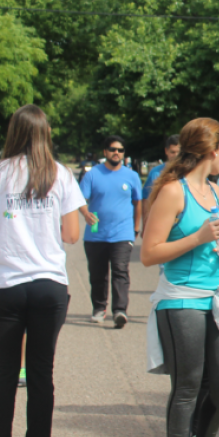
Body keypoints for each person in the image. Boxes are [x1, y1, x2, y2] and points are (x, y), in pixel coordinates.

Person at [141, 118, 219, 437]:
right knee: (187, 386)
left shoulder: (214, 191)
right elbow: (150, 254)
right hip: (182, 298)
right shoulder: (172, 192)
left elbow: (211, 242)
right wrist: (200, 237)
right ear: (212, 150)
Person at [0, 105, 85, 437]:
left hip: (6, 284)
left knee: (1, 373)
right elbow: (71, 235)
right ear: (45, 133)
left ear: (13, 132)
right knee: (41, 373)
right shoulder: (60, 174)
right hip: (48, 284)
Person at [77, 135, 142, 328]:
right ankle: (99, 308)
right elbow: (80, 200)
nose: (116, 153)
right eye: (113, 149)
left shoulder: (131, 176)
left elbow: (138, 203)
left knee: (120, 271)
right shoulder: (92, 175)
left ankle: (120, 310)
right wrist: (86, 214)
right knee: (98, 274)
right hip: (96, 234)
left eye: (120, 150)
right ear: (105, 152)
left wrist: (136, 227)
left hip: (122, 233)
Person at [142, 135, 180, 221]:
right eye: (173, 152)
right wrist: (145, 223)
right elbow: (146, 200)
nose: (176, 155)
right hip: (159, 221)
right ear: (166, 151)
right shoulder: (155, 173)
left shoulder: (189, 173)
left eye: (179, 152)